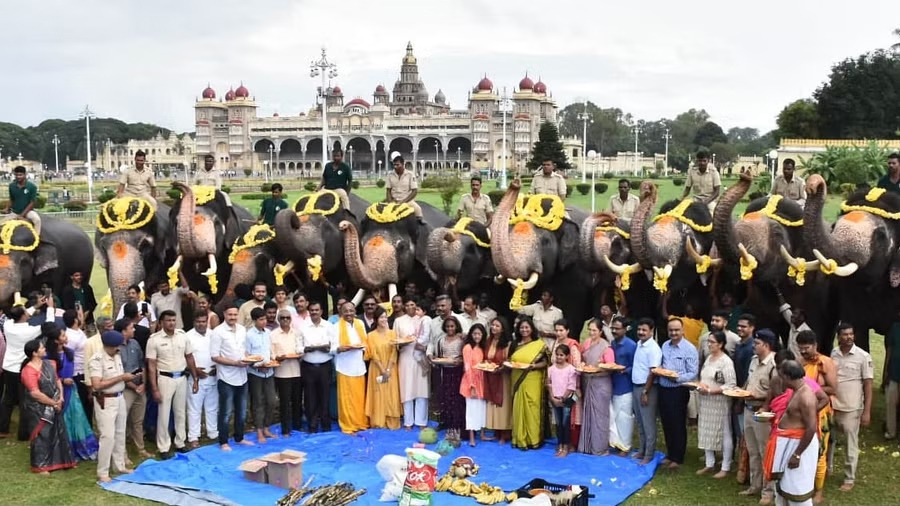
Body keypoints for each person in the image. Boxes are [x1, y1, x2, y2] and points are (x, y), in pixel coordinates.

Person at [146, 310, 198, 458]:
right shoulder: (154, 340)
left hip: (181, 377)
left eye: (174, 320)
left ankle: (180, 442)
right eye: (168, 320)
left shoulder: (182, 336)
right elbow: (151, 366)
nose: (171, 323)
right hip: (165, 378)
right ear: (161, 322)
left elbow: (189, 357)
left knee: (180, 412)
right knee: (163, 414)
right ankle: (163, 447)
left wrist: (195, 378)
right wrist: (154, 388)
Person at [766, 360, 819, 506]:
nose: (780, 379)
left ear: (789, 377)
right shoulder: (797, 391)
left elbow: (811, 428)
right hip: (787, 444)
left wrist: (797, 454)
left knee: (797, 490)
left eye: (782, 376)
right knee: (783, 486)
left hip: (798, 447)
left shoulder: (806, 397)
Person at [828, 323, 873, 493]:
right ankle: (828, 468)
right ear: (838, 336)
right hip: (833, 405)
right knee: (829, 439)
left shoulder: (863, 356)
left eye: (851, 334)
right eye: (845, 334)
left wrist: (866, 411)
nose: (848, 337)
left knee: (850, 443)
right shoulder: (834, 353)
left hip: (852, 407)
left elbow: (868, 385)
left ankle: (849, 477)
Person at [43, 325, 99, 461]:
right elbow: (48, 376)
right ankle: (63, 448)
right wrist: (62, 380)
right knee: (63, 418)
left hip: (71, 390)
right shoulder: (47, 357)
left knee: (77, 417)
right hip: (57, 391)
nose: (66, 337)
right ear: (56, 341)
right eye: (63, 336)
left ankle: (79, 447)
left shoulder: (69, 352)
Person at [22, 337, 76, 474]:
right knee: (42, 435)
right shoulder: (28, 371)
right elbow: (35, 393)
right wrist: (53, 403)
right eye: (41, 348)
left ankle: (64, 461)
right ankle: (41, 465)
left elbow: (57, 380)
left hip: (55, 401)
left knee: (58, 432)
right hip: (37, 408)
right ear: (34, 353)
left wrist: (61, 397)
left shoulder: (50, 363)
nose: (44, 349)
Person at [0, 302, 54, 440]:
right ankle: (24, 433)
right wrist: (50, 307)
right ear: (24, 315)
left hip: (8, 366)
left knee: (8, 399)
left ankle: (2, 428)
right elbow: (49, 325)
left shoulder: (8, 325)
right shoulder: (30, 331)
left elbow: (20, 315)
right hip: (22, 367)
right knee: (25, 400)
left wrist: (35, 305)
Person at [651, 317, 699, 470]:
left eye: (677, 330)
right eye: (671, 330)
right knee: (666, 422)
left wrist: (676, 377)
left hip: (678, 390)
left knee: (677, 423)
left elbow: (692, 372)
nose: (673, 333)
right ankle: (670, 453)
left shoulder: (690, 349)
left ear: (683, 331)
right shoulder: (665, 345)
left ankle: (678, 457)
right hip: (664, 389)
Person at [89, 331, 135, 482]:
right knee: (107, 435)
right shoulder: (97, 359)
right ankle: (103, 472)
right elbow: (97, 385)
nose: (119, 349)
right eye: (117, 346)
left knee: (120, 433)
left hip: (119, 397)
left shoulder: (116, 356)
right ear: (110, 346)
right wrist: (122, 377)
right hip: (106, 400)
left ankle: (119, 465)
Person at [797, 329, 836, 504]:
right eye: (801, 348)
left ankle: (819, 490)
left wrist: (810, 387)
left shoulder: (826, 363)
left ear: (815, 346)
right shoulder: (799, 362)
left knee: (820, 452)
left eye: (806, 348)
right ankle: (804, 484)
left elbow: (833, 389)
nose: (804, 352)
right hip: (801, 413)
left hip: (821, 413)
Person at [741, 329, 777, 503]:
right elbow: (749, 381)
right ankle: (754, 485)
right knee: (752, 450)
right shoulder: (754, 360)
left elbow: (776, 392)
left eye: (756, 343)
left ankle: (768, 491)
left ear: (767, 345)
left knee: (765, 452)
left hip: (763, 413)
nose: (753, 346)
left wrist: (760, 399)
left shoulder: (774, 364)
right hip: (748, 408)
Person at [210, 307, 252, 451]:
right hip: (227, 377)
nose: (233, 317)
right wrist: (235, 363)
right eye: (230, 314)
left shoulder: (241, 329)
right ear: (224, 315)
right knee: (226, 411)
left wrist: (250, 358)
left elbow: (243, 349)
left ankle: (239, 437)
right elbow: (215, 356)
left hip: (242, 376)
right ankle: (223, 441)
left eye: (235, 314)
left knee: (242, 410)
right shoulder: (218, 332)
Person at [696, 330, 737, 478]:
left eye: (712, 342)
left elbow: (731, 384)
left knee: (724, 432)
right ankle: (709, 463)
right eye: (708, 342)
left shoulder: (726, 361)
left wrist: (713, 391)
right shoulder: (708, 358)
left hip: (719, 401)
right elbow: (704, 376)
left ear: (721, 344)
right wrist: (701, 385)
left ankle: (725, 466)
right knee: (706, 429)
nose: (709, 345)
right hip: (706, 400)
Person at [509, 316, 548, 450]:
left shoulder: (538, 345)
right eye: (522, 327)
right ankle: (519, 439)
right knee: (518, 408)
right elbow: (510, 360)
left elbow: (544, 363)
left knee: (533, 407)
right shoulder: (514, 344)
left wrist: (532, 367)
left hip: (533, 379)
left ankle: (533, 439)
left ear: (531, 329)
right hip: (517, 378)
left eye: (527, 327)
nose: (524, 330)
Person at [580, 316, 616, 457]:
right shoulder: (587, 342)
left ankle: (600, 448)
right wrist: (583, 365)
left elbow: (610, 367)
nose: (591, 333)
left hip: (601, 384)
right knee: (587, 413)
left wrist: (597, 368)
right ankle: (587, 446)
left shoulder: (606, 347)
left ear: (601, 331)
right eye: (590, 330)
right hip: (587, 381)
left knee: (600, 416)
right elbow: (583, 358)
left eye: (594, 330)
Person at [331, 301, 369, 434]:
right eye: (346, 311)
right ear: (341, 312)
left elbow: (365, 343)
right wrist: (340, 349)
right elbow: (332, 348)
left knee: (359, 397)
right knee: (346, 400)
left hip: (359, 365)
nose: (348, 313)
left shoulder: (360, 324)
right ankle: (348, 425)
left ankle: (360, 422)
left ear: (355, 311)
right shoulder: (336, 326)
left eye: (351, 311)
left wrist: (361, 346)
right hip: (344, 366)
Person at [114, 318, 150, 459]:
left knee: (138, 421)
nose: (134, 330)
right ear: (123, 331)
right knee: (122, 422)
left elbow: (143, 365)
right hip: (126, 389)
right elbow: (119, 373)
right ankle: (122, 454)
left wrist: (143, 384)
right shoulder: (116, 348)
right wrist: (135, 387)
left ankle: (140, 449)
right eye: (131, 328)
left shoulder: (135, 343)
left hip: (139, 387)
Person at [393, 297, 430, 430]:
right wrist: (402, 343)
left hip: (420, 357)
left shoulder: (423, 319)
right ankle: (408, 422)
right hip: (405, 357)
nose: (410, 307)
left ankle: (421, 421)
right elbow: (395, 340)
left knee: (421, 389)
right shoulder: (398, 321)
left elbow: (428, 338)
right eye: (407, 305)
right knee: (407, 388)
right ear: (404, 307)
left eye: (413, 304)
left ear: (416, 306)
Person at [299, 301, 335, 432]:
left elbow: (335, 345)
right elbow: (298, 346)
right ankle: (312, 426)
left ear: (321, 311)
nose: (314, 312)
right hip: (308, 366)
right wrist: (305, 349)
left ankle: (326, 426)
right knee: (310, 397)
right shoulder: (303, 326)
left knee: (325, 396)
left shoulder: (329, 326)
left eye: (316, 310)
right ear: (309, 311)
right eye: (312, 310)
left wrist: (329, 349)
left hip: (325, 366)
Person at [185, 312, 218, 448]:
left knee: (212, 407)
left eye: (203, 321)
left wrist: (217, 367)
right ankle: (193, 436)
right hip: (196, 377)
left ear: (207, 322)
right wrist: (194, 370)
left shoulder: (213, 334)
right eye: (198, 321)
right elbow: (184, 357)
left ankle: (213, 432)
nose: (201, 324)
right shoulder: (187, 336)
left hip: (213, 374)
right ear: (194, 322)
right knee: (194, 408)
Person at [365, 307, 402, 429]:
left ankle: (391, 421)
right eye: (381, 317)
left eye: (385, 317)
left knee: (391, 394)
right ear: (376, 319)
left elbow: (394, 352)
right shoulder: (370, 336)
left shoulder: (393, 333)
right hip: (377, 368)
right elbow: (373, 354)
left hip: (391, 368)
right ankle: (378, 421)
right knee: (378, 393)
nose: (384, 319)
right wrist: (382, 370)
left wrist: (388, 370)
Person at [633, 318, 662, 465]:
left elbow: (653, 372)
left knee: (648, 423)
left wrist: (645, 391)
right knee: (640, 421)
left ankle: (649, 455)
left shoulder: (653, 349)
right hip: (636, 387)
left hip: (647, 389)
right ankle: (642, 450)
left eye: (644, 330)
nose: (641, 332)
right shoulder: (639, 344)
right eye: (639, 329)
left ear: (651, 331)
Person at [245, 307, 276, 442]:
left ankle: (266, 427)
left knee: (271, 401)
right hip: (255, 373)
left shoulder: (268, 333)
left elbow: (270, 351)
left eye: (265, 319)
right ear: (254, 321)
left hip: (269, 371)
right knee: (258, 402)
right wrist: (257, 366)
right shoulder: (249, 335)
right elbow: (247, 356)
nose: (264, 322)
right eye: (261, 319)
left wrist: (273, 361)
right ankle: (259, 431)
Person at [271, 309, 302, 436]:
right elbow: (271, 354)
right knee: (284, 403)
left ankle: (297, 426)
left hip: (297, 371)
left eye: (287, 318)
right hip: (282, 373)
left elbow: (301, 349)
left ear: (291, 319)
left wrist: (299, 354)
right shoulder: (273, 334)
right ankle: (285, 429)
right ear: (278, 319)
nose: (285, 320)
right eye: (282, 318)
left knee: (297, 401)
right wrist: (278, 357)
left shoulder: (297, 333)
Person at [432, 316, 466, 434]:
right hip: (445, 371)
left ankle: (457, 424)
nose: (450, 328)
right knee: (446, 397)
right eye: (447, 326)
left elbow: (464, 356)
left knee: (457, 398)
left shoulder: (461, 339)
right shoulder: (441, 340)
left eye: (452, 326)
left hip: (457, 371)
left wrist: (459, 361)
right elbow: (439, 356)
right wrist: (435, 360)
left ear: (456, 326)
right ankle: (447, 423)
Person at [608, 316, 636, 454]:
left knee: (624, 417)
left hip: (625, 386)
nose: (614, 330)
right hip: (613, 384)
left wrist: (625, 370)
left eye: (617, 328)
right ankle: (616, 443)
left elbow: (635, 366)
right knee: (614, 416)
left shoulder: (631, 345)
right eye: (612, 328)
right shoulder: (612, 343)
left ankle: (626, 446)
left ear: (625, 329)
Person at [484, 317, 512, 444]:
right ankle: (496, 431)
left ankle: (505, 433)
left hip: (503, 377)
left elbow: (509, 360)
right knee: (493, 405)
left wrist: (500, 368)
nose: (493, 328)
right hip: (491, 375)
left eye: (497, 326)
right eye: (493, 325)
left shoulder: (508, 343)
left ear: (503, 329)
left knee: (503, 405)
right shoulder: (489, 340)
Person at [547, 344, 577, 457]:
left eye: (561, 355)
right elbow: (549, 384)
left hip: (566, 400)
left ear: (567, 356)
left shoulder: (571, 369)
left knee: (565, 423)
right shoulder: (551, 369)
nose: (559, 357)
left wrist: (563, 398)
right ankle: (559, 444)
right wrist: (552, 398)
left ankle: (565, 446)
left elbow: (571, 386)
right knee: (558, 424)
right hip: (555, 399)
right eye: (557, 355)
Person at [461, 323, 487, 446]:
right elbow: (467, 367)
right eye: (475, 333)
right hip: (471, 380)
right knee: (471, 409)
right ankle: (472, 437)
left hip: (482, 380)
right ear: (471, 334)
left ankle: (482, 434)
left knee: (482, 408)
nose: (477, 336)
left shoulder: (482, 347)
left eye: (479, 334)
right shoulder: (468, 348)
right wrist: (472, 385)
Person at [5, 165, 42, 235]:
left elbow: (32, 202)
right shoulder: (11, 186)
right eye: (16, 175)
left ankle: (37, 239)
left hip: (28, 212)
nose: (18, 177)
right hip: (15, 212)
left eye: (20, 175)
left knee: (37, 220)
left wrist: (22, 215)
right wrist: (7, 208)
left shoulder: (32, 186)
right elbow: (11, 199)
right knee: (2, 223)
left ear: (25, 175)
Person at [385, 156, 423, 221]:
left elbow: (414, 191)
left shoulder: (410, 175)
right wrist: (390, 201)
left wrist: (404, 201)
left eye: (397, 165)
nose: (395, 167)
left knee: (418, 209)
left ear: (403, 164)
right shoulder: (390, 175)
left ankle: (421, 225)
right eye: (394, 165)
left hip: (407, 201)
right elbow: (388, 190)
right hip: (394, 200)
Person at [778, 294, 811, 359]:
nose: (792, 315)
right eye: (792, 313)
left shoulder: (806, 332)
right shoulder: (793, 325)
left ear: (801, 318)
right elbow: (785, 308)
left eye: (795, 314)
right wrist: (778, 292)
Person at [884, 320, 900, 440]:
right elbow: (889, 350)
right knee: (891, 402)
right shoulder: (895, 327)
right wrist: (886, 371)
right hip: (894, 372)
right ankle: (891, 431)